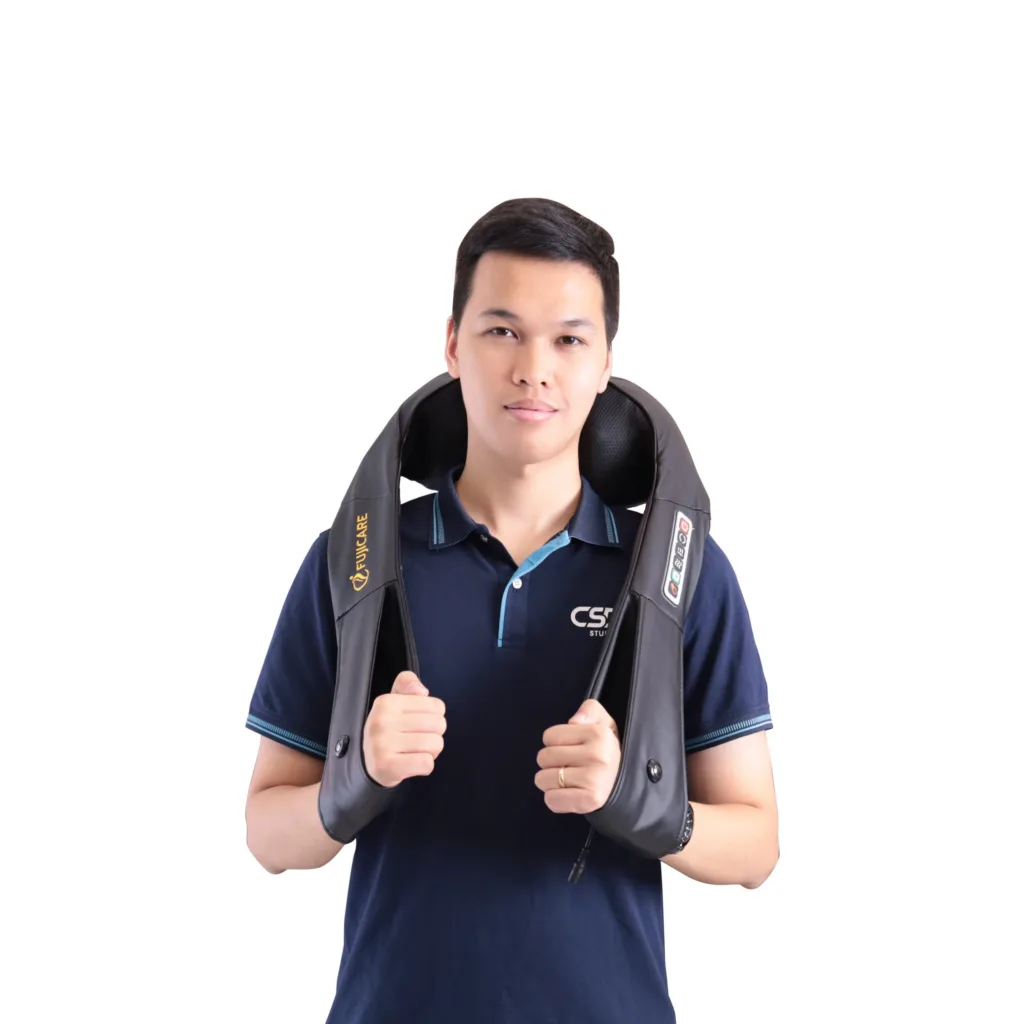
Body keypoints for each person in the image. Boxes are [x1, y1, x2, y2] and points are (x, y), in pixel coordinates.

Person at [244, 197, 779, 1024]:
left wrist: (640, 802)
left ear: (605, 362)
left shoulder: (680, 576)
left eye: (569, 339)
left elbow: (756, 846)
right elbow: (266, 833)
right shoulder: (354, 562)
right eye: (502, 331)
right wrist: (357, 778)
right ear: (452, 344)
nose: (534, 368)